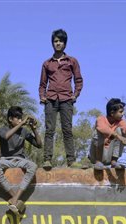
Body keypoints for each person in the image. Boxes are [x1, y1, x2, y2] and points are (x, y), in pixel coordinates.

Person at [39, 28, 83, 169]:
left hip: (66, 99)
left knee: (67, 130)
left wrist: (75, 95)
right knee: (49, 130)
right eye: (55, 41)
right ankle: (47, 160)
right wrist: (42, 96)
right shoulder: (47, 63)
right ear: (52, 43)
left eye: (60, 41)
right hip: (51, 99)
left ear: (65, 44)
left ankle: (71, 160)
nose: (58, 44)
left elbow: (78, 80)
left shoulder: (72, 61)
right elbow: (42, 84)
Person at [0, 106, 42, 216]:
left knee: (32, 166)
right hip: (6, 159)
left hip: (20, 159)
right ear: (10, 119)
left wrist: (34, 129)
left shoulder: (23, 131)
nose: (20, 120)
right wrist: (22, 123)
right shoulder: (3, 129)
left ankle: (14, 199)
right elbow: (6, 136)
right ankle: (16, 198)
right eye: (18, 118)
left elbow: (39, 145)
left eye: (21, 118)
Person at [88, 98, 126, 170]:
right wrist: (118, 136)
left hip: (108, 155)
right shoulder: (101, 119)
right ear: (112, 113)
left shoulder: (120, 121)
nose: (123, 114)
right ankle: (98, 162)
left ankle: (114, 161)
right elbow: (102, 128)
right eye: (120, 112)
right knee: (98, 131)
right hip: (96, 156)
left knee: (119, 130)